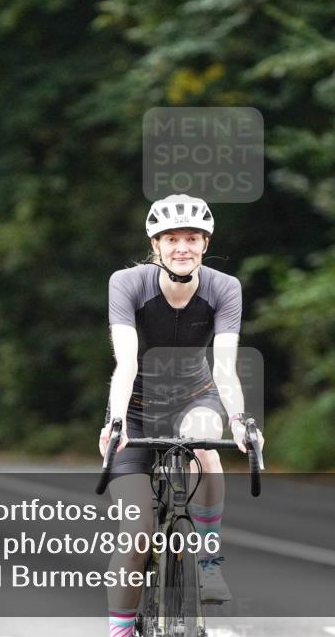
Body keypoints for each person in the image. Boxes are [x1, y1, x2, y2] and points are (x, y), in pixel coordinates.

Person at [97, 194, 265, 637]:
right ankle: (120, 631)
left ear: (205, 244)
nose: (182, 247)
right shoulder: (127, 283)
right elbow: (127, 362)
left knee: (206, 446)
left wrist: (240, 421)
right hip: (135, 411)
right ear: (155, 245)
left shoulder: (223, 288)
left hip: (196, 399)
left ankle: (209, 561)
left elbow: (225, 367)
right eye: (171, 239)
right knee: (137, 534)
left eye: (192, 238)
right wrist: (115, 422)